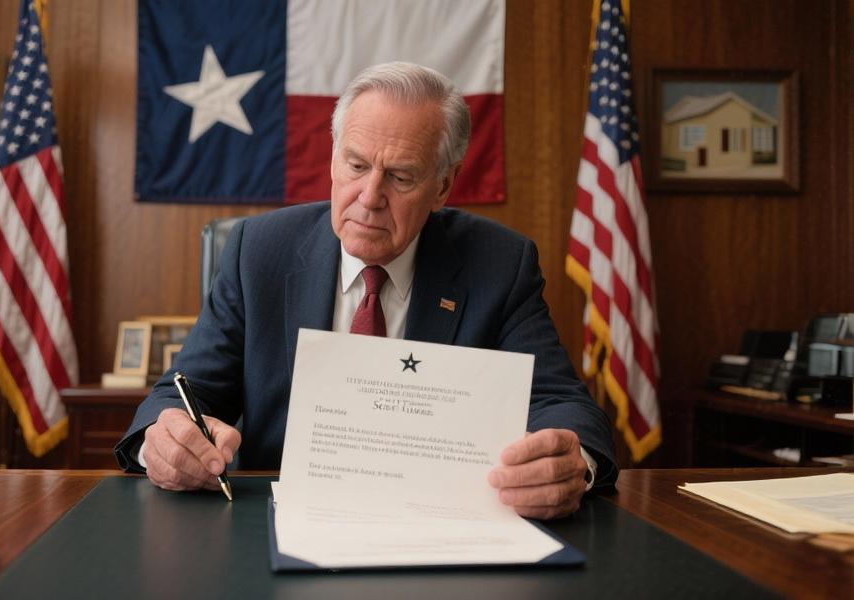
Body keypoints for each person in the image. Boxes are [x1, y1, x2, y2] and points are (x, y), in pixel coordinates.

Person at [116, 61, 617, 520]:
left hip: (437, 524)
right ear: (334, 159)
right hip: (276, 521)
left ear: (443, 187)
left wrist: (571, 463)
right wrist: (163, 440)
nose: (370, 197)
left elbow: (561, 402)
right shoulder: (259, 252)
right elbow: (184, 393)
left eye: (400, 176)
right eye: (356, 166)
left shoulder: (499, 264)